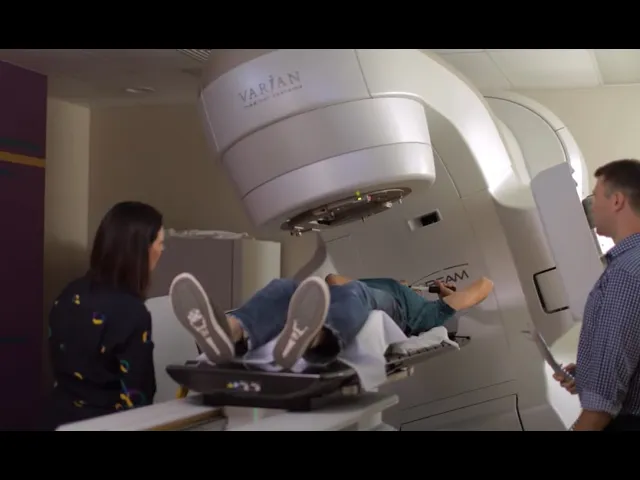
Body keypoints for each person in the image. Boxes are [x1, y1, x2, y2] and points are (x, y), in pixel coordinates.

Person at [169, 271, 493, 370]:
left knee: (355, 293)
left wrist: (447, 295)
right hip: (340, 296)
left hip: (376, 305)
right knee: (285, 287)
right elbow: (333, 279)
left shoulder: (430, 314)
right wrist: (398, 283)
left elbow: (485, 285)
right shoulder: (389, 288)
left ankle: (312, 338)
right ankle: (229, 331)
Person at [42, 201, 164, 430]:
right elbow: (139, 395)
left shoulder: (69, 294)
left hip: (57, 419)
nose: (161, 251)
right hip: (107, 424)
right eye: (160, 243)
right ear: (140, 250)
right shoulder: (132, 313)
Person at [553, 159, 640, 431]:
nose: (592, 206)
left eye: (595, 196)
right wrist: (591, 375)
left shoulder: (625, 273)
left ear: (617, 201)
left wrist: (598, 387)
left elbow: (599, 410)